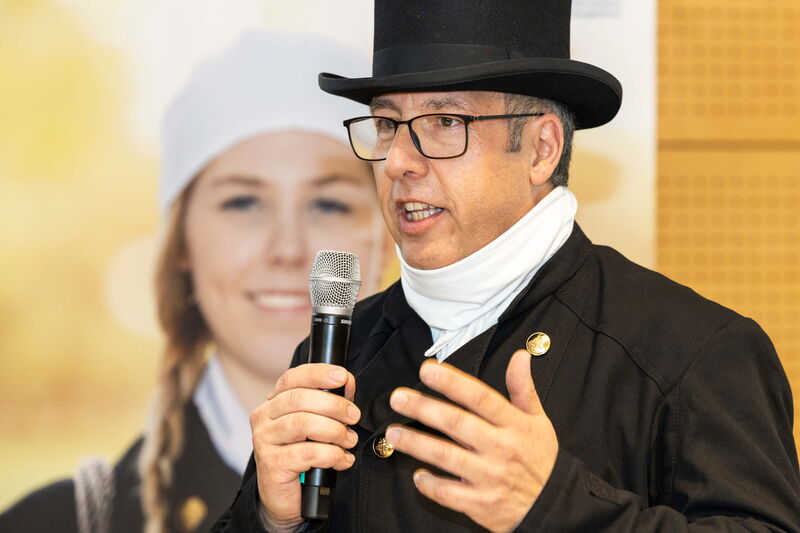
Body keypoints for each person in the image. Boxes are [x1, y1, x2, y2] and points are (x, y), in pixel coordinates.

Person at [212, 1, 800, 532]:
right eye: (388, 125)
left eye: (446, 123)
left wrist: (559, 507)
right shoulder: (343, 349)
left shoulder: (690, 351)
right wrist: (269, 519)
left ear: (542, 149)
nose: (396, 163)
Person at [0, 30, 392, 533]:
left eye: (329, 204)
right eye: (243, 203)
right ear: (182, 242)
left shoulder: (458, 487)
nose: (288, 248)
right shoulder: (57, 522)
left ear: (386, 235)